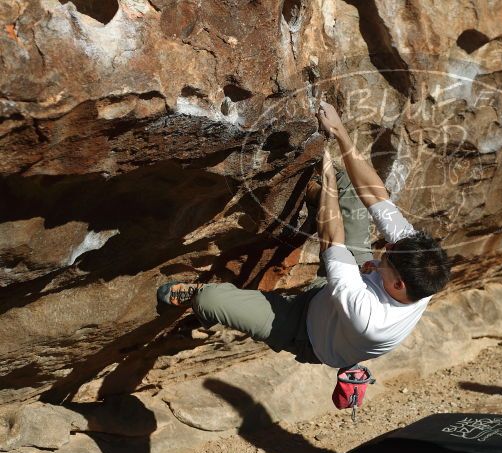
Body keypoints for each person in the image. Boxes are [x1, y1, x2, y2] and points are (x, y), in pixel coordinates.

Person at [157, 101, 451, 369]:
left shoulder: (370, 320)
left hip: (306, 330)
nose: (385, 247)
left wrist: (326, 177)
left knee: (211, 300)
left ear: (399, 284)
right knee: (349, 184)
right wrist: (339, 132)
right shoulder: (419, 267)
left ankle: (195, 299)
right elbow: (375, 195)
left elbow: (331, 237)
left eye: (387, 256)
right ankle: (316, 197)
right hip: (355, 279)